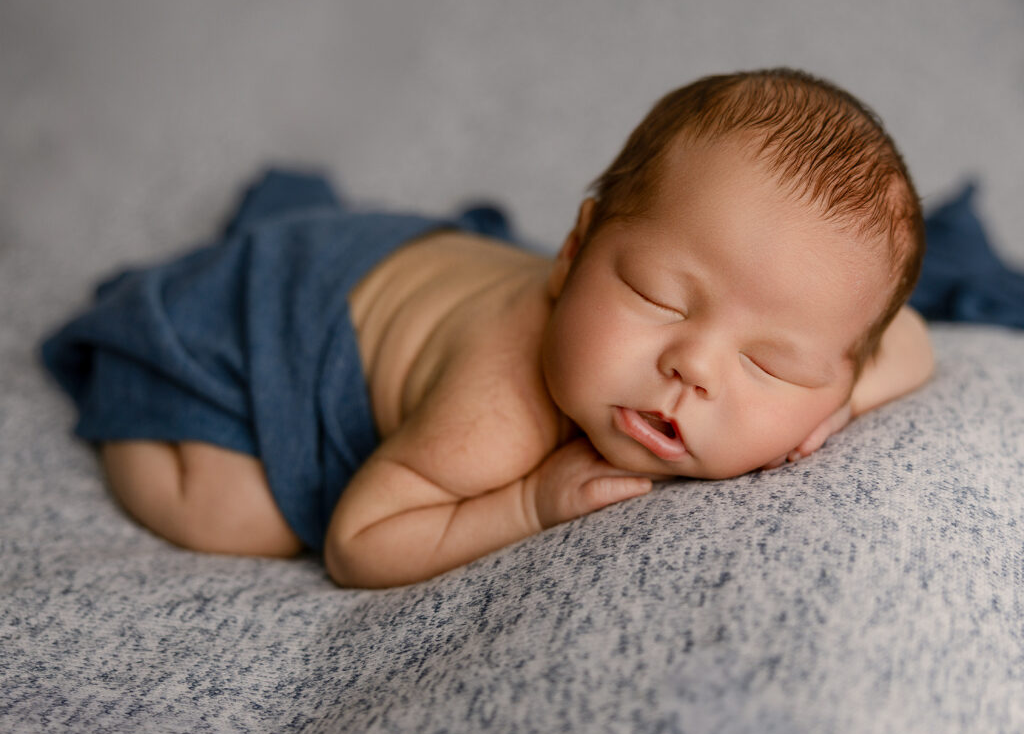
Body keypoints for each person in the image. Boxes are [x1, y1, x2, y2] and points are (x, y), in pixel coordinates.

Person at [41, 68, 934, 589]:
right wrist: (526, 503)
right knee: (240, 515)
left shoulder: (830, 359)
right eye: (660, 295)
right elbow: (359, 541)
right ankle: (139, 393)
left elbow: (912, 341)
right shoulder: (496, 409)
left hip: (421, 264)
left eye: (769, 361)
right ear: (574, 251)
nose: (694, 363)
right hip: (277, 309)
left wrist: (836, 403)